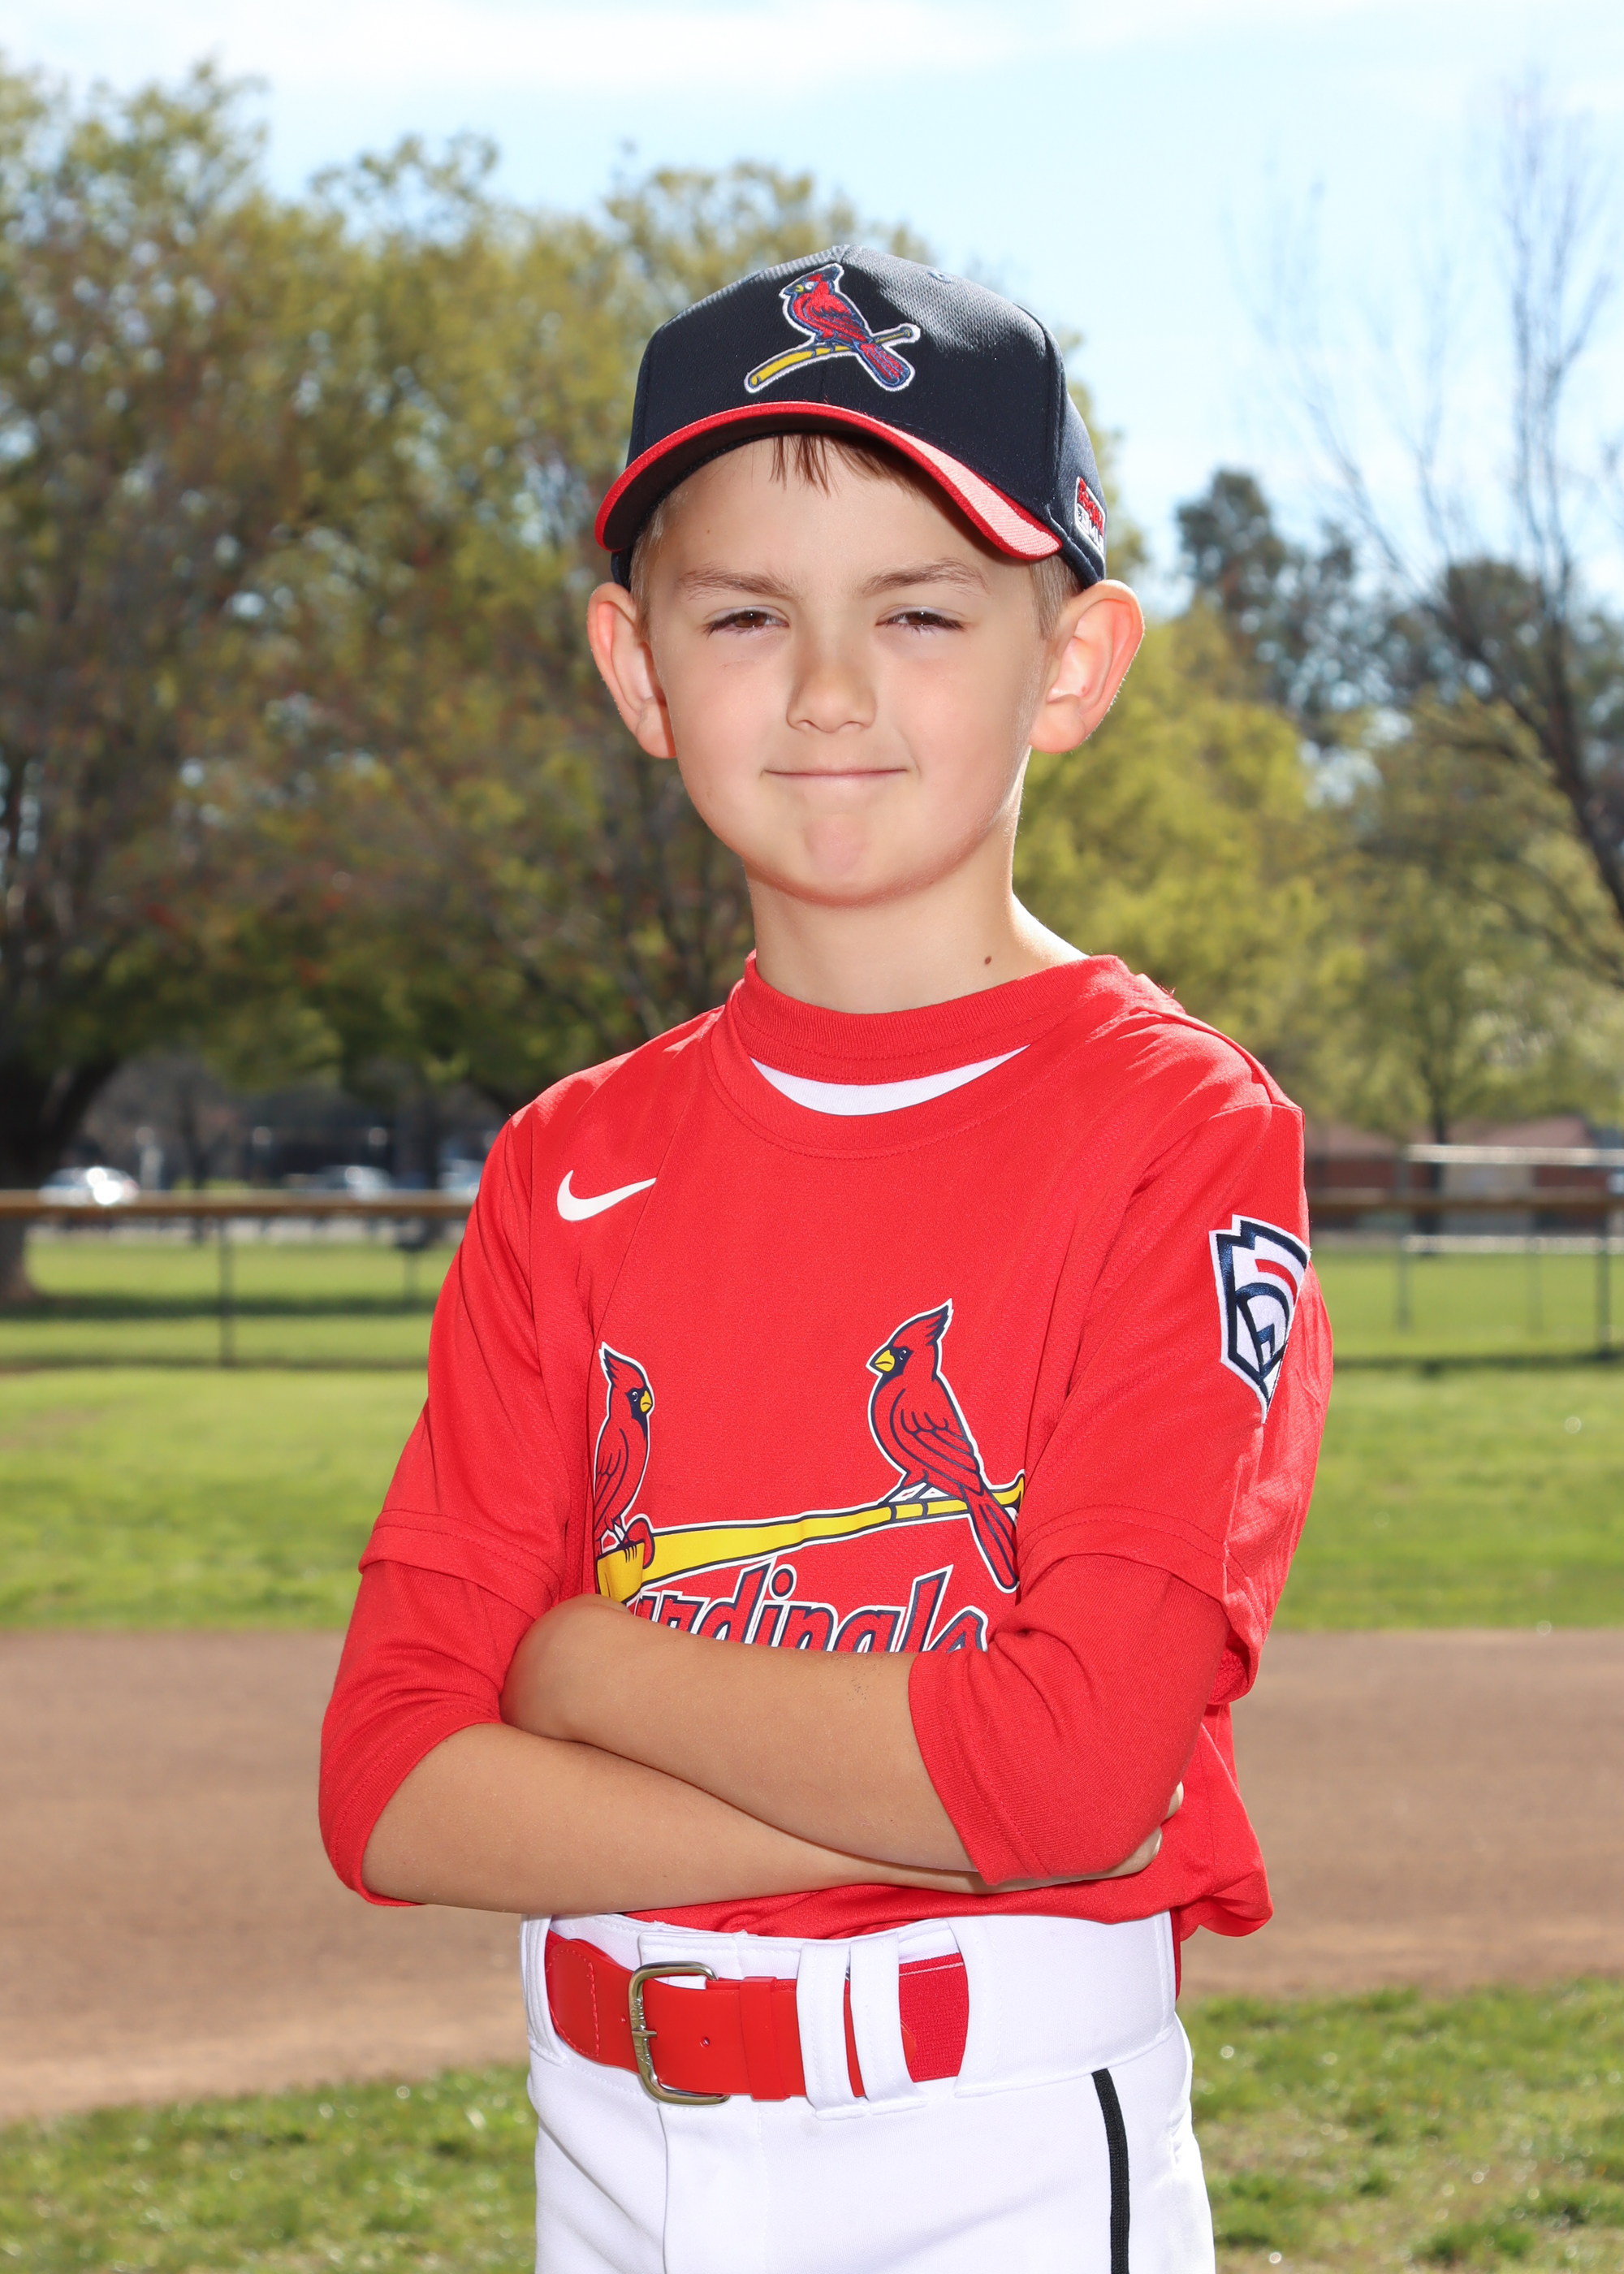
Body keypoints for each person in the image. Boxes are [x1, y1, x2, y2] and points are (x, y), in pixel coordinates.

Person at [320, 245, 1331, 2273]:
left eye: (921, 610)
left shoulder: (1176, 1130)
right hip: (605, 2146)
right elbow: (393, 1779)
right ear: (638, 671)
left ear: (1072, 662)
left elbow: (1071, 1767)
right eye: (746, 614)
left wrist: (581, 1666)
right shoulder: (566, 1161)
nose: (830, 688)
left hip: (995, 2151)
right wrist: (945, 1815)